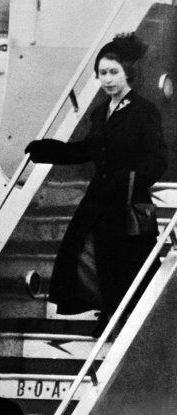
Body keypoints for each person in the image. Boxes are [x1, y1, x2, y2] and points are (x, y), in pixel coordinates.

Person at [25, 32, 168, 333]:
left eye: (114, 72)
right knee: (88, 255)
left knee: (128, 262)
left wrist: (128, 178)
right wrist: (48, 150)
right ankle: (109, 312)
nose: (108, 79)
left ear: (128, 72)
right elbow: (86, 150)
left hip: (129, 200)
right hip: (101, 199)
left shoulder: (144, 112)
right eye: (102, 73)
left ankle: (128, 318)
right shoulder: (101, 112)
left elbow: (158, 162)